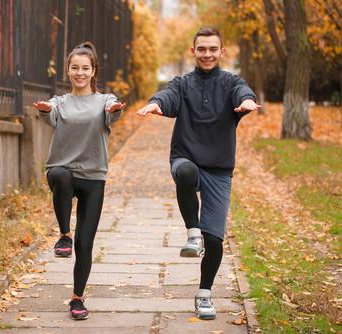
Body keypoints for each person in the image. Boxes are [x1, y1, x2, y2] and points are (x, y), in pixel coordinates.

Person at [137, 27, 260, 320]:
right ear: (193, 52)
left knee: (215, 241)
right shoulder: (182, 84)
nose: (207, 54)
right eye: (201, 49)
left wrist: (246, 102)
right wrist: (156, 104)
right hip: (186, 157)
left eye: (212, 49)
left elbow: (243, 91)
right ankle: (193, 235)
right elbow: (168, 96)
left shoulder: (231, 82)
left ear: (222, 52)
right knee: (186, 172)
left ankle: (204, 295)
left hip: (219, 167)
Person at [33, 42, 125, 320]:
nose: (80, 73)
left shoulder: (104, 101)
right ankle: (64, 235)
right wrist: (45, 109)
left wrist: (115, 109)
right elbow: (49, 112)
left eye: (85, 68)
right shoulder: (60, 102)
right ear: (68, 70)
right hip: (63, 173)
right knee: (60, 174)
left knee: (86, 244)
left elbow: (114, 110)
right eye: (75, 68)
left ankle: (77, 298)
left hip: (93, 177)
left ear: (93, 71)